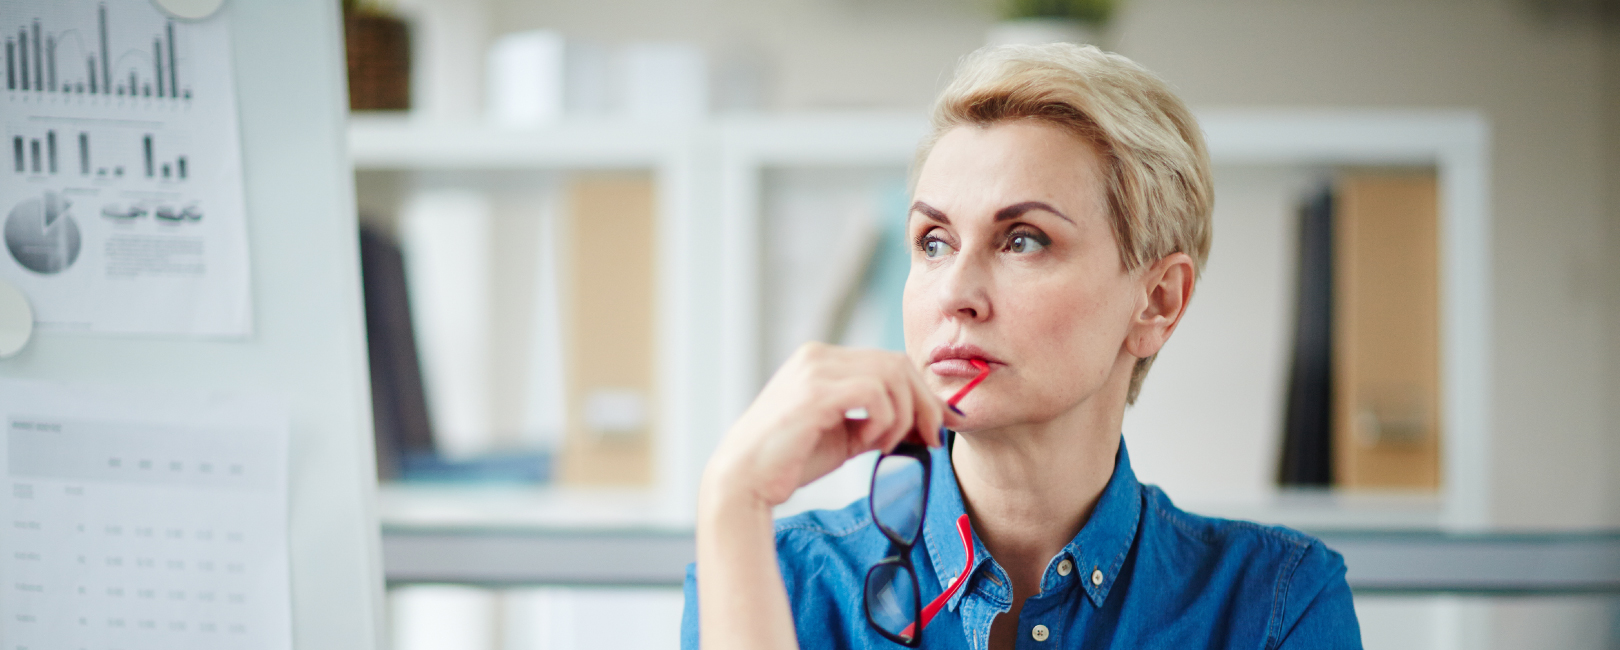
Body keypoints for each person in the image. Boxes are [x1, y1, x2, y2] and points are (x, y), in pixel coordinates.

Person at [683, 43, 1361, 650]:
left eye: (1023, 240)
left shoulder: (1276, 603)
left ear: (1156, 301)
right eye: (934, 243)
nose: (956, 293)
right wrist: (731, 497)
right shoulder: (776, 577)